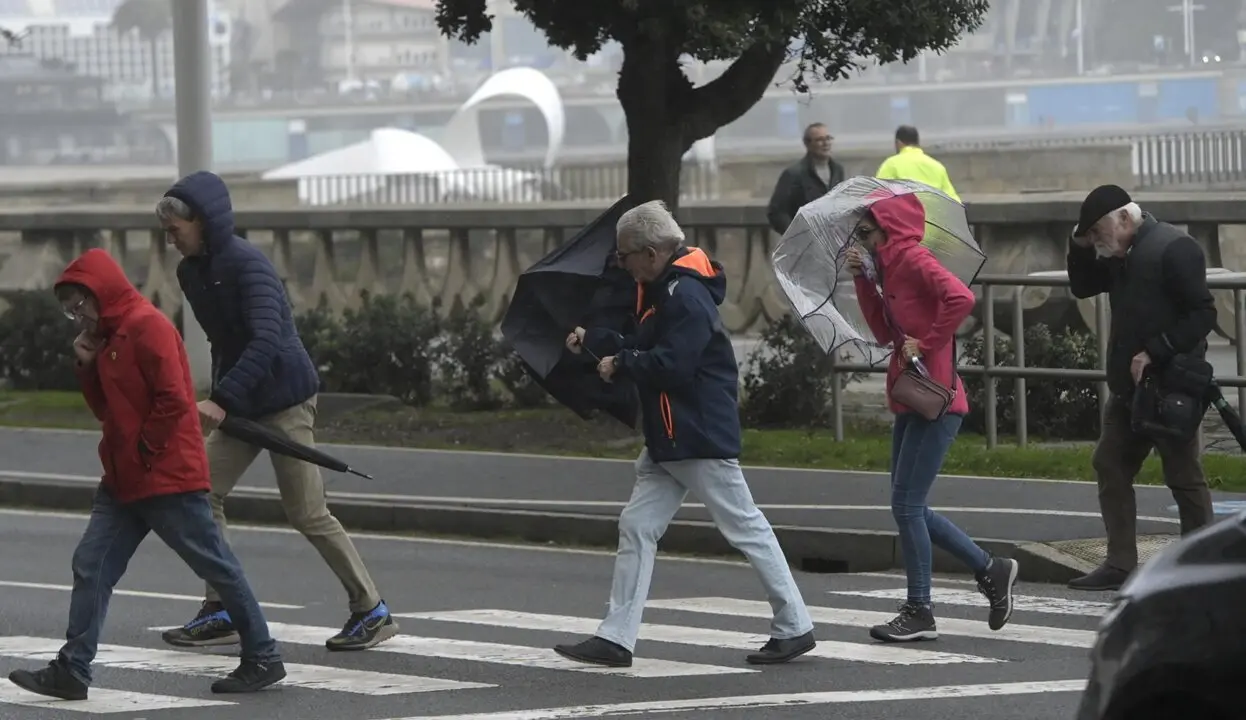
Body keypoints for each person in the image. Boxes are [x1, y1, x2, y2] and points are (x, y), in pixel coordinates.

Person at [7, 249, 285, 701]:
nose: (78, 317)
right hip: (124, 479)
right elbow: (105, 411)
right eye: (71, 309)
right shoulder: (108, 338)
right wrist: (86, 365)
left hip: (165, 476)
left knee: (214, 563)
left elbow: (174, 401)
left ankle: (264, 656)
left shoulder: (146, 326)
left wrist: (143, 450)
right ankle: (72, 669)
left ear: (104, 292)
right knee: (91, 565)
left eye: (82, 305)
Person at [552, 200, 816, 668]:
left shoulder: (682, 295)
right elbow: (650, 346)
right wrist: (597, 341)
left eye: (626, 256)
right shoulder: (674, 291)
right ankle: (616, 637)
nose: (624, 265)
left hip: (693, 433)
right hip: (677, 434)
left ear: (651, 253)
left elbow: (672, 364)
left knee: (744, 526)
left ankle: (794, 624)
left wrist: (624, 362)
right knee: (641, 526)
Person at [154, 170, 398, 651]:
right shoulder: (190, 272)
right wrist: (222, 394)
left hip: (285, 402)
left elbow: (267, 339)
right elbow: (224, 339)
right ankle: (222, 605)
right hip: (242, 403)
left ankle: (372, 610)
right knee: (200, 491)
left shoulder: (250, 265)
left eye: (174, 231)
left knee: (307, 512)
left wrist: (221, 399)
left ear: (202, 221)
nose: (169, 240)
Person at [846, 194, 1017, 642]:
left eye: (865, 233)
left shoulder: (913, 258)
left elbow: (960, 298)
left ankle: (921, 609)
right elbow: (885, 333)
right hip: (911, 396)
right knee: (909, 506)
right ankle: (990, 568)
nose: (860, 240)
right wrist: (864, 279)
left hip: (936, 400)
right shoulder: (888, 268)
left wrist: (928, 341)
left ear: (889, 230)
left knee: (906, 506)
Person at [1064, 184, 1217, 592]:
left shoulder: (1175, 248)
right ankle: (1119, 565)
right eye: (1093, 235)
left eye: (1099, 231)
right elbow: (1081, 286)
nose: (1097, 241)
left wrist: (1155, 351)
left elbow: (1203, 314)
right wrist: (1079, 243)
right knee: (1109, 464)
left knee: (1183, 476)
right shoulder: (1121, 256)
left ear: (1126, 219)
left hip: (1171, 388)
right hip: (1130, 391)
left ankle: (1201, 568)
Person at [766, 122, 847, 235]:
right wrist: (796, 236)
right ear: (807, 144)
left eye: (828, 138)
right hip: (806, 244)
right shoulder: (794, 174)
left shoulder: (837, 170)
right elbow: (777, 212)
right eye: (819, 140)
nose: (825, 143)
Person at [876, 125, 960, 202]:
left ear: (898, 143)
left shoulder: (891, 164)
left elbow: (878, 196)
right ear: (917, 142)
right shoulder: (937, 166)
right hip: (933, 216)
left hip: (904, 216)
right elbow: (953, 199)